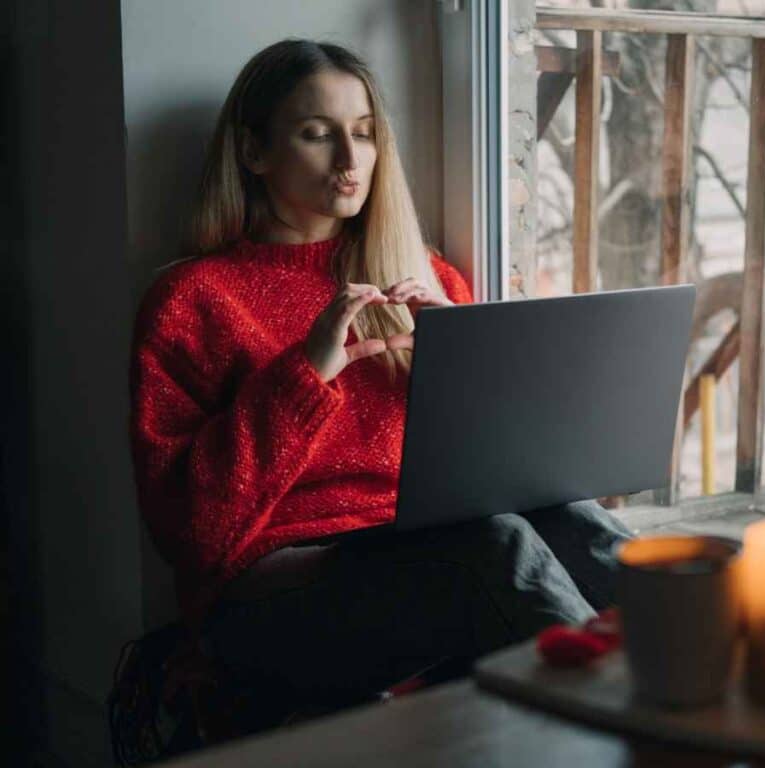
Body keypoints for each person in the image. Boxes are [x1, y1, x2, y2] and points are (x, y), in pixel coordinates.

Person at [128, 39, 634, 711]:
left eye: (364, 134)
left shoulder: (421, 276)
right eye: (317, 133)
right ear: (253, 152)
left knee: (575, 519)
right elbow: (190, 533)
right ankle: (640, 724)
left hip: (420, 545)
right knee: (494, 546)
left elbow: (501, 466)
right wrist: (306, 374)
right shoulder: (193, 300)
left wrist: (470, 360)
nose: (349, 160)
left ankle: (727, 684)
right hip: (274, 590)